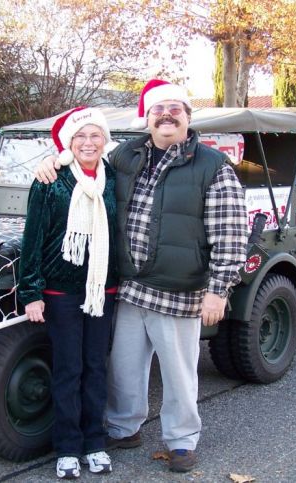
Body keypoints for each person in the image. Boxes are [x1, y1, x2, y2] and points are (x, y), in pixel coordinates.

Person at [35, 79, 248, 472]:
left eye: (175, 110)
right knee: (124, 368)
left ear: (187, 116)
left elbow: (231, 232)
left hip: (178, 289)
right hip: (130, 286)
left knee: (179, 372)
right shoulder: (126, 156)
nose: (166, 116)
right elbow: (86, 161)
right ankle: (123, 427)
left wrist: (218, 290)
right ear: (147, 118)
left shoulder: (213, 166)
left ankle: (182, 441)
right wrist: (52, 160)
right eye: (158, 110)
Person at [18, 106, 119, 479]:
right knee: (67, 369)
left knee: (95, 368)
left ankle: (95, 443)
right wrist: (31, 291)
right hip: (62, 293)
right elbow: (33, 238)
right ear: (69, 142)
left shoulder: (115, 177)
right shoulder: (51, 180)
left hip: (102, 290)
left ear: (105, 141)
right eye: (81, 136)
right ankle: (67, 449)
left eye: (95, 135)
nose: (88, 142)